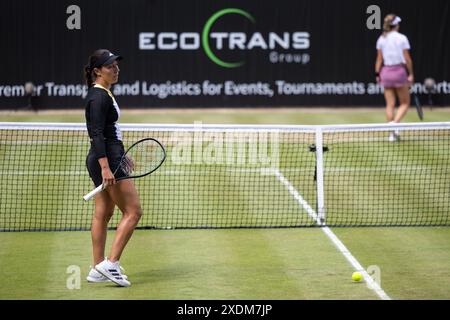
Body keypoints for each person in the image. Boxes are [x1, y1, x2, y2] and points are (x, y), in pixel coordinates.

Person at [84, 49, 143, 287]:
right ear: (97, 71)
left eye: (117, 66)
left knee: (104, 213)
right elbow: (96, 134)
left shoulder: (102, 93)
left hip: (109, 155)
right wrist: (107, 167)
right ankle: (111, 263)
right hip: (106, 159)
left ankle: (97, 268)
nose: (116, 69)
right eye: (110, 67)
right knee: (134, 212)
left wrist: (121, 154)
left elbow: (107, 132)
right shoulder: (99, 96)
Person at [375, 14, 414, 141]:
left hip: (385, 72)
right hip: (398, 72)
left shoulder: (381, 38)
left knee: (390, 104)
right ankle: (395, 124)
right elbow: (407, 59)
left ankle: (392, 133)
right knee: (405, 103)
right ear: (396, 25)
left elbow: (379, 60)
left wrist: (377, 74)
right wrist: (411, 74)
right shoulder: (402, 38)